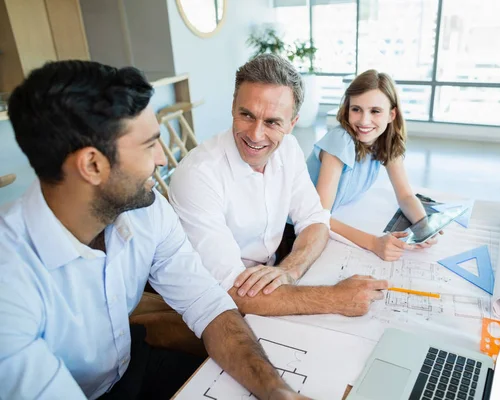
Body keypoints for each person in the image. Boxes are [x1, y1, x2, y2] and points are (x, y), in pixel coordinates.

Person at [0, 60, 308, 400]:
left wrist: (277, 391)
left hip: (130, 366)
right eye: (150, 146)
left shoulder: (147, 211)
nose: (163, 159)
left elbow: (208, 303)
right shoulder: (10, 281)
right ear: (92, 164)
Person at [169, 54, 388, 317]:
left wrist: (289, 271)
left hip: (268, 278)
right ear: (233, 107)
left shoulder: (289, 149)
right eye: (247, 115)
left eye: (272, 122)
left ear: (292, 124)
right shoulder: (198, 175)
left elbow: (316, 220)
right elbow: (232, 290)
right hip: (209, 303)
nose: (256, 134)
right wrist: (336, 298)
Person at [307, 69, 438, 262]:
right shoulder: (340, 140)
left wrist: (423, 226)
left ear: (391, 115)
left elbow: (406, 195)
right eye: (356, 109)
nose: (363, 121)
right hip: (295, 227)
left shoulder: (384, 141)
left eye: (375, 111)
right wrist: (374, 243)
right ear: (347, 109)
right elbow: (319, 216)